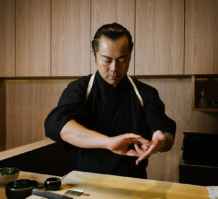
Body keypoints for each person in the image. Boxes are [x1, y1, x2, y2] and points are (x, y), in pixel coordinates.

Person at [44, 23, 176, 179]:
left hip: (133, 181)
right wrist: (108, 142)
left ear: (130, 55)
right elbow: (56, 124)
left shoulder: (145, 93)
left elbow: (166, 136)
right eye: (107, 60)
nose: (114, 68)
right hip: (86, 181)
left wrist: (160, 142)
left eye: (122, 60)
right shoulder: (80, 89)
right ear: (94, 55)